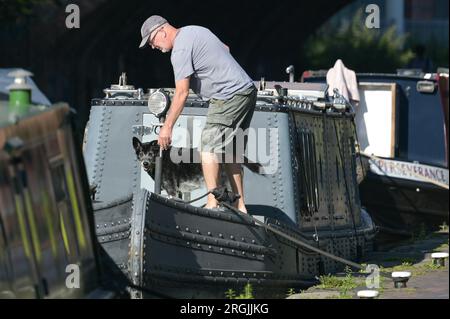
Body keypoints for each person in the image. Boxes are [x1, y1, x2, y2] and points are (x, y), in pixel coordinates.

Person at [139, 15, 257, 213]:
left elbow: (182, 92)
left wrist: (167, 127)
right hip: (246, 91)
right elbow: (225, 49)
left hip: (227, 96)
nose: (153, 47)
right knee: (230, 152)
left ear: (161, 31)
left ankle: (213, 203)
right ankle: (240, 206)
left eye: (152, 41)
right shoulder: (196, 30)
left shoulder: (180, 50)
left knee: (208, 147)